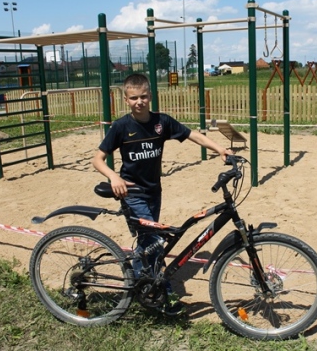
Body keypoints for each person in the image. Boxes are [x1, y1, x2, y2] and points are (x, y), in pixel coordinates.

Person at [92, 73, 232, 315]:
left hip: (154, 191)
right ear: (126, 100)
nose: (139, 102)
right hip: (132, 193)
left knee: (148, 243)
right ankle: (159, 290)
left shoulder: (161, 122)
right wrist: (114, 176)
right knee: (154, 241)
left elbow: (192, 135)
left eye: (143, 96)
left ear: (150, 97)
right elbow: (97, 159)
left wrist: (219, 148)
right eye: (134, 98)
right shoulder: (121, 127)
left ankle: (140, 284)